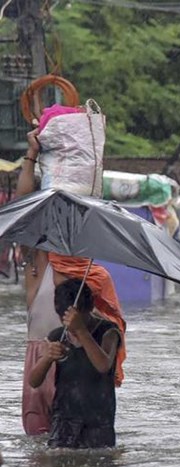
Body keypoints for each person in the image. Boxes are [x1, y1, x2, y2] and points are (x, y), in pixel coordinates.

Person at [17, 128, 126, 435]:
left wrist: (79, 327)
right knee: (42, 454)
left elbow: (108, 338)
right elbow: (21, 209)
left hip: (84, 375)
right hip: (42, 361)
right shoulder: (40, 261)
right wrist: (31, 155)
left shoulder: (97, 277)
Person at [28, 279, 121, 449]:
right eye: (65, 320)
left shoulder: (109, 332)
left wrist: (81, 331)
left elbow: (103, 366)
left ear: (89, 309)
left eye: (76, 319)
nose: (70, 326)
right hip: (64, 419)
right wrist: (47, 358)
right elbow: (34, 381)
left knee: (98, 466)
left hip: (98, 423)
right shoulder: (58, 336)